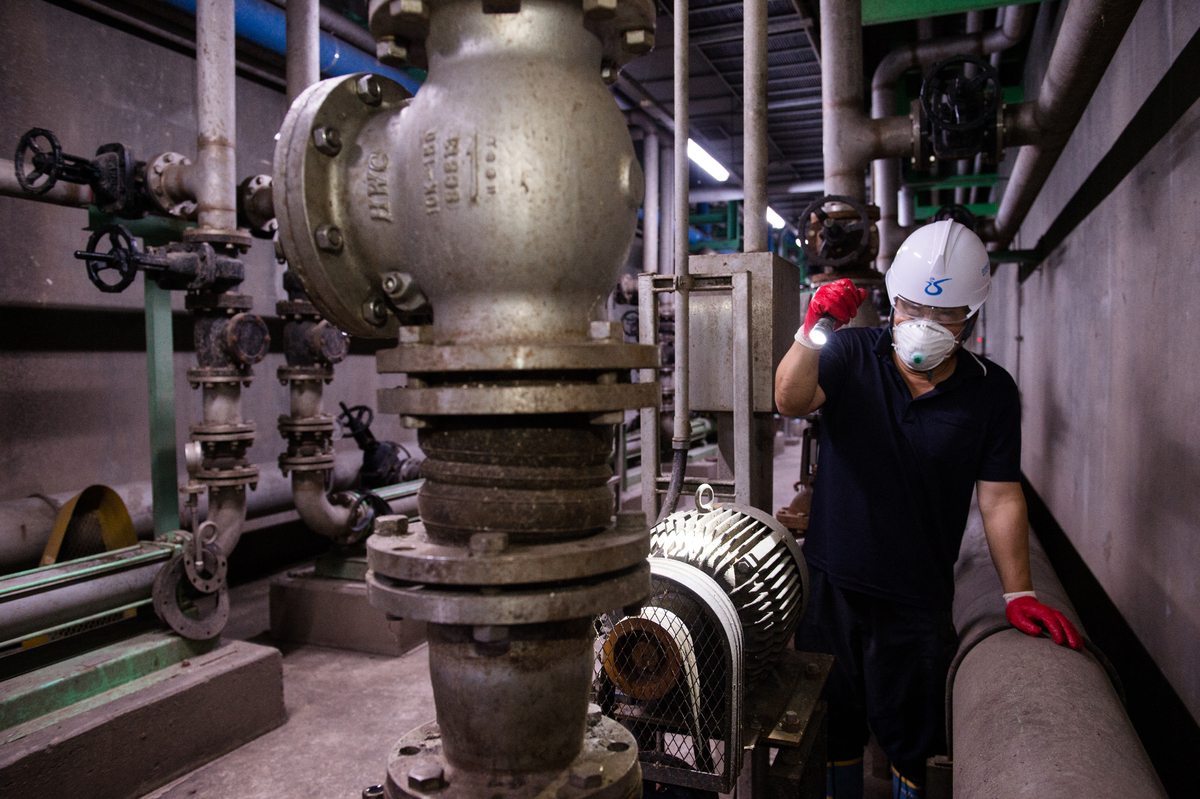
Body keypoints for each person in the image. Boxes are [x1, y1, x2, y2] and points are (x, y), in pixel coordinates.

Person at [773, 220, 1081, 799]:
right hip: (831, 589)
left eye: (947, 316)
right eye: (914, 309)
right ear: (893, 303)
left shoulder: (991, 393)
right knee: (828, 730)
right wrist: (813, 330)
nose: (928, 326)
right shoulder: (849, 352)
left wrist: (1019, 594)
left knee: (912, 742)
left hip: (917, 602)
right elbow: (789, 399)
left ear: (972, 316)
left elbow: (999, 494)